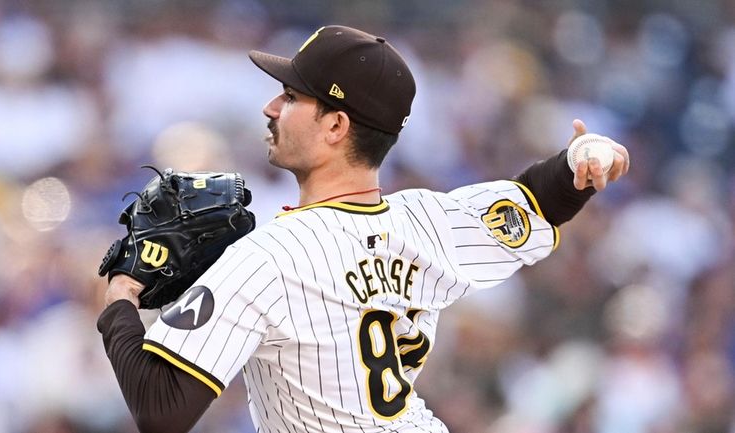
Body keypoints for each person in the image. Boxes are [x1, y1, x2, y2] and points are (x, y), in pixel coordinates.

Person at [97, 25, 630, 433]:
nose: (271, 107)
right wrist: (582, 160)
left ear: (335, 125)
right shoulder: (429, 221)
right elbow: (540, 199)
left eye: (291, 96)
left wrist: (119, 299)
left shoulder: (268, 258)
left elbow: (161, 410)